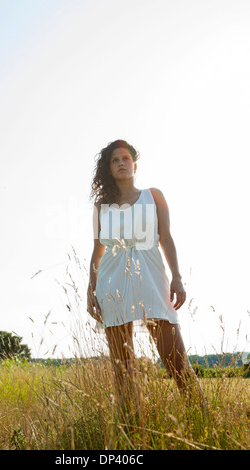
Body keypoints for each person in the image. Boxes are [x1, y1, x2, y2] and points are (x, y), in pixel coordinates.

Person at [87, 139, 204, 412]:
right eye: (114, 160)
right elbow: (97, 252)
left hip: (151, 277)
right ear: (109, 167)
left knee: (177, 362)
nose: (120, 164)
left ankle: (201, 417)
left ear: (134, 164)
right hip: (112, 282)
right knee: (123, 372)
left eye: (125, 158)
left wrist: (176, 276)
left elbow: (166, 237)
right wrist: (91, 290)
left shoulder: (154, 195)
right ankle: (132, 431)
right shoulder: (100, 207)